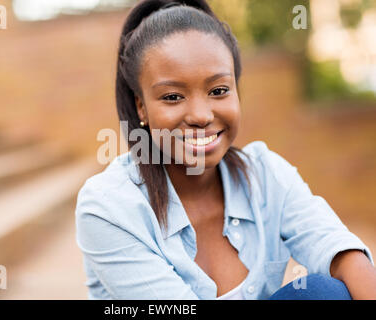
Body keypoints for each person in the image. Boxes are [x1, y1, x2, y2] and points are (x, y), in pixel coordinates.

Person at [75, 0, 376, 300]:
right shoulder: (109, 207)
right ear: (141, 106)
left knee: (319, 294)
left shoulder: (265, 173)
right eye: (172, 96)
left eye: (218, 91)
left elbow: (342, 253)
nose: (201, 115)